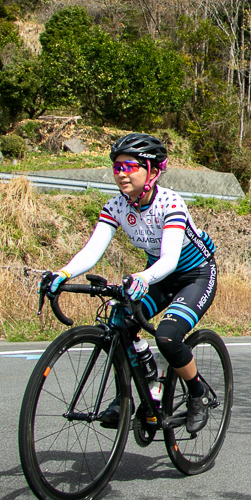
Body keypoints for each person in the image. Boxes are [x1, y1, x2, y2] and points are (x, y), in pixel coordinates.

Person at [42, 133, 218, 434]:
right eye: (117, 167)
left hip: (194, 275)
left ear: (152, 171)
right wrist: (63, 273)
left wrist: (141, 278)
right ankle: (130, 392)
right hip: (158, 275)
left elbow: (170, 260)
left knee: (167, 337)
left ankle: (197, 394)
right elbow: (92, 250)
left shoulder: (170, 203)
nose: (121, 174)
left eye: (130, 167)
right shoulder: (116, 207)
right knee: (119, 322)